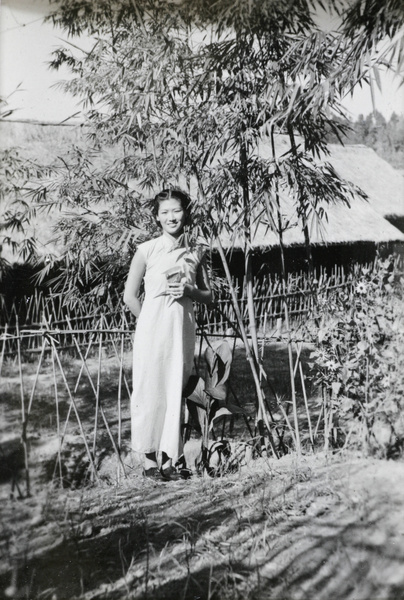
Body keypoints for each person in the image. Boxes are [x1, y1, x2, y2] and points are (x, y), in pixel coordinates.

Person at [124, 189, 212, 481]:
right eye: (164, 212)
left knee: (174, 388)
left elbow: (209, 296)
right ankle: (148, 460)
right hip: (152, 333)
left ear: (185, 212)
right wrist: (149, 322)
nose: (171, 217)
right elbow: (130, 297)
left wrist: (189, 291)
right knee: (149, 390)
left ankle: (168, 460)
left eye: (176, 210)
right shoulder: (146, 250)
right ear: (156, 217)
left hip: (181, 331)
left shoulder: (196, 251)